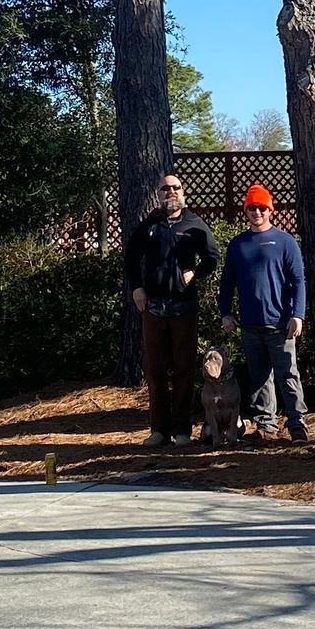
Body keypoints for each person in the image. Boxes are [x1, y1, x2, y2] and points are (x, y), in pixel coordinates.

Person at [121, 172, 219, 448]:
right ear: (159, 193)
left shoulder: (194, 224)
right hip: (153, 308)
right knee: (155, 371)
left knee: (184, 370)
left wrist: (194, 274)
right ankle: (159, 431)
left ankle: (182, 431)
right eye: (165, 188)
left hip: (183, 308)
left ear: (182, 191)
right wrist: (137, 288)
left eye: (175, 188)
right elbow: (131, 256)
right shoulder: (150, 224)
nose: (170, 192)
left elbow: (212, 258)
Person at [217, 183, 308, 442]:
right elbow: (227, 283)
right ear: (246, 211)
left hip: (280, 324)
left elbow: (298, 281)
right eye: (252, 208)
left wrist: (297, 314)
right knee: (259, 378)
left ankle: (297, 425)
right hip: (250, 325)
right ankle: (265, 425)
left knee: (288, 374)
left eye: (262, 208)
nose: (257, 212)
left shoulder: (285, 242)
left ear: (270, 210)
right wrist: (225, 312)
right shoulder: (238, 244)